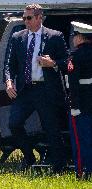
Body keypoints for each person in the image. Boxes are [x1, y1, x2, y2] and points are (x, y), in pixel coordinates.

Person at [4, 4, 69, 172]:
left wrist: (52, 63)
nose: (25, 21)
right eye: (24, 18)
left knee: (51, 128)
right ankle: (30, 157)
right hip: (25, 89)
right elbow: (9, 64)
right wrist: (9, 81)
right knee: (14, 124)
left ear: (40, 17)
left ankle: (59, 166)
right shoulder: (18, 37)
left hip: (45, 90)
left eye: (29, 18)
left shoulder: (54, 36)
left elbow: (67, 63)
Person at [67, 21, 92, 179]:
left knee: (80, 140)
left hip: (81, 104)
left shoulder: (75, 57)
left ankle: (83, 172)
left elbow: (73, 84)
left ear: (80, 37)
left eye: (74, 36)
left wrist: (73, 106)